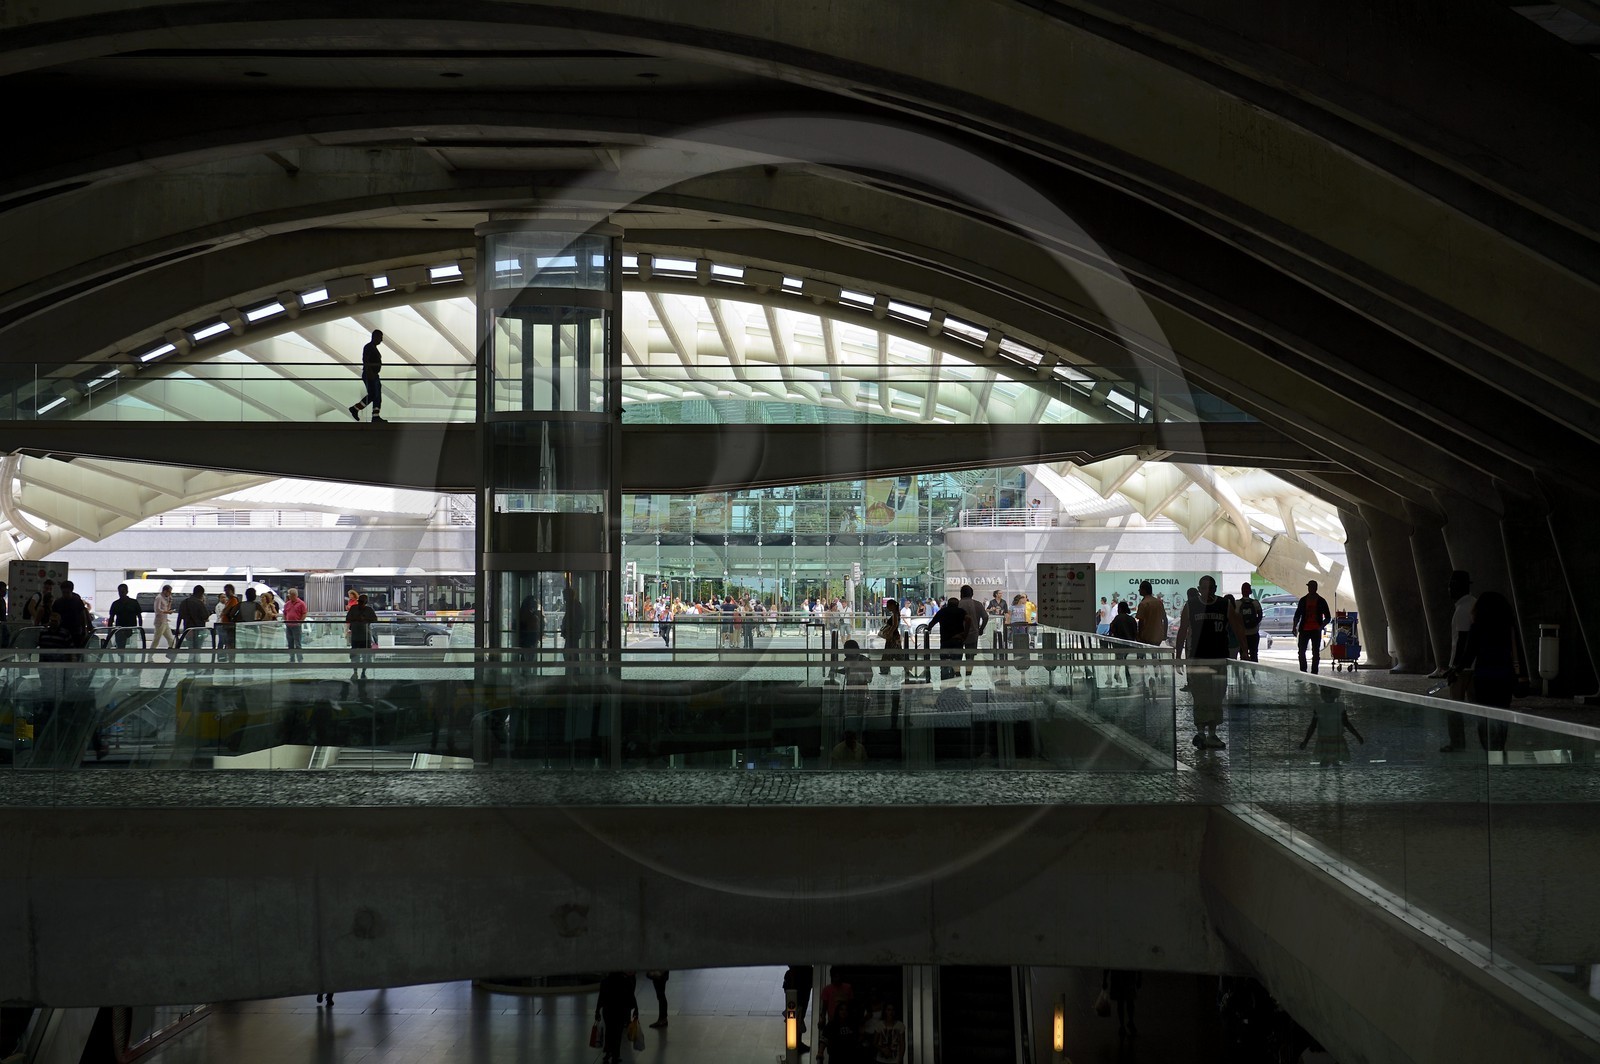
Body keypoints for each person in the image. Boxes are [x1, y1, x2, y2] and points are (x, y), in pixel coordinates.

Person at [1175, 575, 1248, 749]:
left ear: (1215, 589)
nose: (1207, 591)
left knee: (1216, 697)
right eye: (1204, 588)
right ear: (1199, 589)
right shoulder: (1191, 606)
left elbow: (1237, 627)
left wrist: (1245, 651)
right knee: (1200, 696)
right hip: (1197, 658)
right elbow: (1183, 629)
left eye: (1210, 588)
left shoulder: (1224, 605)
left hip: (1218, 658)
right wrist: (1178, 655)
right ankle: (1200, 732)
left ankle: (1212, 734)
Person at [1455, 589, 1524, 751]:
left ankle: (1488, 749)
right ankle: (1499, 748)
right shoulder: (1508, 627)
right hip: (1504, 677)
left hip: (1484, 678)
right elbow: (1517, 652)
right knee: (1502, 715)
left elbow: (1468, 655)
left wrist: (1455, 670)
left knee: (1485, 716)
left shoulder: (1478, 627)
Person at [1440, 570, 1477, 752]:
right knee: (1477, 706)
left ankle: (1457, 743)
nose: (1449, 589)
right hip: (1474, 666)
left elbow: (1462, 641)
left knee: (1454, 705)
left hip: (1463, 668)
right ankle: (1482, 742)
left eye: (1451, 586)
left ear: (1458, 587)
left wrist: (1455, 668)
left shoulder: (1463, 610)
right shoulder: (1473, 604)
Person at [1300, 684, 1365, 764]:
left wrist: (1306, 741)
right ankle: (1337, 776)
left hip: (1324, 740)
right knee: (1334, 763)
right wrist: (1358, 736)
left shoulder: (1319, 707)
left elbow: (1312, 726)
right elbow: (1347, 724)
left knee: (1324, 763)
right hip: (1336, 740)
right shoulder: (1340, 706)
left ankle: (1326, 776)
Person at [595, 970, 638, 1064]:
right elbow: (631, 995)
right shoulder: (625, 980)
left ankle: (608, 1052)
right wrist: (635, 1010)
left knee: (609, 1032)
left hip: (608, 1010)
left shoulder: (605, 981)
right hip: (620, 1010)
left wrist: (597, 1011)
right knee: (617, 1034)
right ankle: (615, 1055)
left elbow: (601, 996)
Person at [1292, 579, 1332, 673]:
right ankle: (1303, 670)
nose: (1310, 589)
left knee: (1315, 652)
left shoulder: (1321, 601)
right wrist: (1294, 626)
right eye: (1309, 587)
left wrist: (1320, 627)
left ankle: (1314, 672)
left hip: (1315, 630)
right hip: (1304, 629)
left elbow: (1328, 617)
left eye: (1311, 587)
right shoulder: (1303, 600)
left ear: (1315, 588)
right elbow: (1297, 615)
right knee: (1301, 651)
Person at [347, 328, 387, 423]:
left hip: (372, 374)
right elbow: (366, 360)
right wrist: (370, 373)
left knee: (375, 395)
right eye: (380, 337)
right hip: (371, 374)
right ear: (375, 337)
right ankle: (372, 415)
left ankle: (359, 410)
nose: (381, 340)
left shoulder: (371, 347)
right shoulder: (369, 347)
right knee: (375, 395)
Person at [928, 596, 969, 681]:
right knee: (957, 658)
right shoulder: (961, 612)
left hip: (945, 639)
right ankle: (957, 673)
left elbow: (932, 622)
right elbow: (969, 620)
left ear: (948, 604)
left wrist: (928, 629)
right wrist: (965, 634)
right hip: (958, 639)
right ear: (957, 604)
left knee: (944, 658)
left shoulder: (942, 611)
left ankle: (944, 674)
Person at [958, 584, 987, 680]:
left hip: (959, 634)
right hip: (973, 633)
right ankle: (968, 675)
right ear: (972, 593)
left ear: (961, 594)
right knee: (970, 656)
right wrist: (981, 628)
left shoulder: (958, 604)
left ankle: (957, 674)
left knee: (957, 654)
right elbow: (985, 617)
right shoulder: (977, 604)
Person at [783, 965, 815, 1054]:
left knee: (797, 1016)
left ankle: (796, 1043)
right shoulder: (803, 971)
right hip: (800, 986)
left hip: (800, 985)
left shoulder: (793, 973)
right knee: (797, 1016)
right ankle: (796, 1043)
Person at [107, 583, 143, 662]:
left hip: (132, 630)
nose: (121, 593)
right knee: (120, 651)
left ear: (127, 591)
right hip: (119, 630)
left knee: (132, 652)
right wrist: (109, 632)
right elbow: (111, 618)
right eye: (120, 592)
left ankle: (128, 666)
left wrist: (140, 629)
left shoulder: (134, 602)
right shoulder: (115, 604)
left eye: (123, 591)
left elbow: (139, 617)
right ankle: (121, 667)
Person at [346, 592, 377, 681]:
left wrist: (355, 620)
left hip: (356, 634)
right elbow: (375, 620)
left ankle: (355, 672)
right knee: (365, 655)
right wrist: (365, 620)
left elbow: (348, 619)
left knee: (355, 654)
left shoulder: (353, 608)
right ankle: (363, 672)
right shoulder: (369, 609)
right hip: (365, 634)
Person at [1102, 970, 1142, 1037]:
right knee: (1130, 1001)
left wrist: (1104, 979)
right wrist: (1139, 977)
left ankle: (1122, 1025)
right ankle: (1130, 1021)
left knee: (1120, 1002)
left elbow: (1108, 964)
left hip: (1117, 977)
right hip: (1129, 976)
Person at [176, 585, 210, 657]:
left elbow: (179, 617)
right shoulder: (199, 603)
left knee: (191, 648)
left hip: (187, 630)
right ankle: (195, 665)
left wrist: (177, 629)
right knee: (197, 649)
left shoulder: (184, 602)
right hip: (199, 630)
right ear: (201, 593)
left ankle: (190, 665)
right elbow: (206, 616)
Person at [1237, 583, 1263, 662]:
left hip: (1242, 634)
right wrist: (1255, 624)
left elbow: (1235, 618)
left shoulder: (1237, 603)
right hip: (1254, 633)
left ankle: (1244, 673)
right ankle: (1254, 672)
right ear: (1250, 591)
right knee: (1254, 654)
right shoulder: (1255, 603)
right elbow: (1260, 615)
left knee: (1243, 655)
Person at [214, 583, 241, 662]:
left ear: (231, 590)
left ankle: (231, 660)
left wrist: (224, 612)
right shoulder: (229, 601)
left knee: (229, 644)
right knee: (227, 643)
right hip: (226, 625)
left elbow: (225, 611)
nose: (226, 593)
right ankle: (229, 659)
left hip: (230, 626)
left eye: (227, 591)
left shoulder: (233, 600)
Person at [1135, 580, 1167, 646]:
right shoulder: (1159, 603)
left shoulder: (1143, 604)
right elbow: (1165, 619)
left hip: (1147, 636)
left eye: (1140, 589)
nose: (1139, 590)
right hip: (1158, 636)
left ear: (1144, 590)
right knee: (1155, 654)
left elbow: (1141, 621)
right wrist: (1164, 634)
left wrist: (1139, 636)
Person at [877, 599, 902, 677]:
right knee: (895, 653)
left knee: (889, 653)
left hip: (892, 637)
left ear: (892, 606)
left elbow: (894, 625)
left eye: (888, 605)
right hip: (894, 636)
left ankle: (885, 668)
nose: (887, 607)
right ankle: (885, 668)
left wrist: (889, 633)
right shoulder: (896, 614)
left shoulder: (895, 614)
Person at [560, 586, 584, 667]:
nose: (564, 598)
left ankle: (573, 672)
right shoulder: (575, 605)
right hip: (573, 633)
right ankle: (574, 672)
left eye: (565, 596)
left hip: (572, 634)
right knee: (572, 653)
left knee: (570, 653)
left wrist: (566, 628)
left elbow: (572, 620)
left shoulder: (573, 606)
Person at [282, 587, 307, 662]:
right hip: (289, 626)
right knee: (290, 643)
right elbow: (284, 613)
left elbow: (304, 613)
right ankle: (292, 659)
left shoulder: (301, 603)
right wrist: (285, 620)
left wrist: (300, 622)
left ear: (294, 595)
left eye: (290, 595)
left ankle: (300, 659)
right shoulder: (287, 604)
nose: (289, 596)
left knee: (297, 643)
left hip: (296, 626)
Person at [151, 583, 176, 654]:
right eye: (169, 592)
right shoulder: (159, 598)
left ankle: (172, 655)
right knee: (156, 640)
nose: (170, 594)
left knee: (171, 639)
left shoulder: (165, 599)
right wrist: (167, 612)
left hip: (165, 622)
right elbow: (157, 610)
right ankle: (149, 656)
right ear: (165, 591)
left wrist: (170, 601)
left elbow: (167, 609)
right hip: (160, 622)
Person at [516, 594, 543, 659]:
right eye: (533, 602)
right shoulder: (530, 616)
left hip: (527, 641)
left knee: (525, 658)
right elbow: (533, 628)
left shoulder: (523, 614)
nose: (535, 604)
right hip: (529, 641)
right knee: (528, 659)